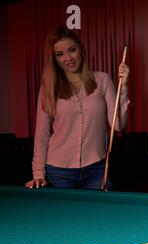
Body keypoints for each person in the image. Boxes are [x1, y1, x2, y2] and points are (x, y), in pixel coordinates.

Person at [25, 26, 130, 190]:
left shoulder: (102, 80)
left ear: (81, 49)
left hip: (97, 169)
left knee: (100, 216)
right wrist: (38, 174)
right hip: (58, 172)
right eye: (60, 54)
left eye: (72, 50)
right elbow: (42, 134)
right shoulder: (48, 88)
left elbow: (118, 125)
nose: (68, 58)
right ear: (54, 59)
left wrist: (123, 88)